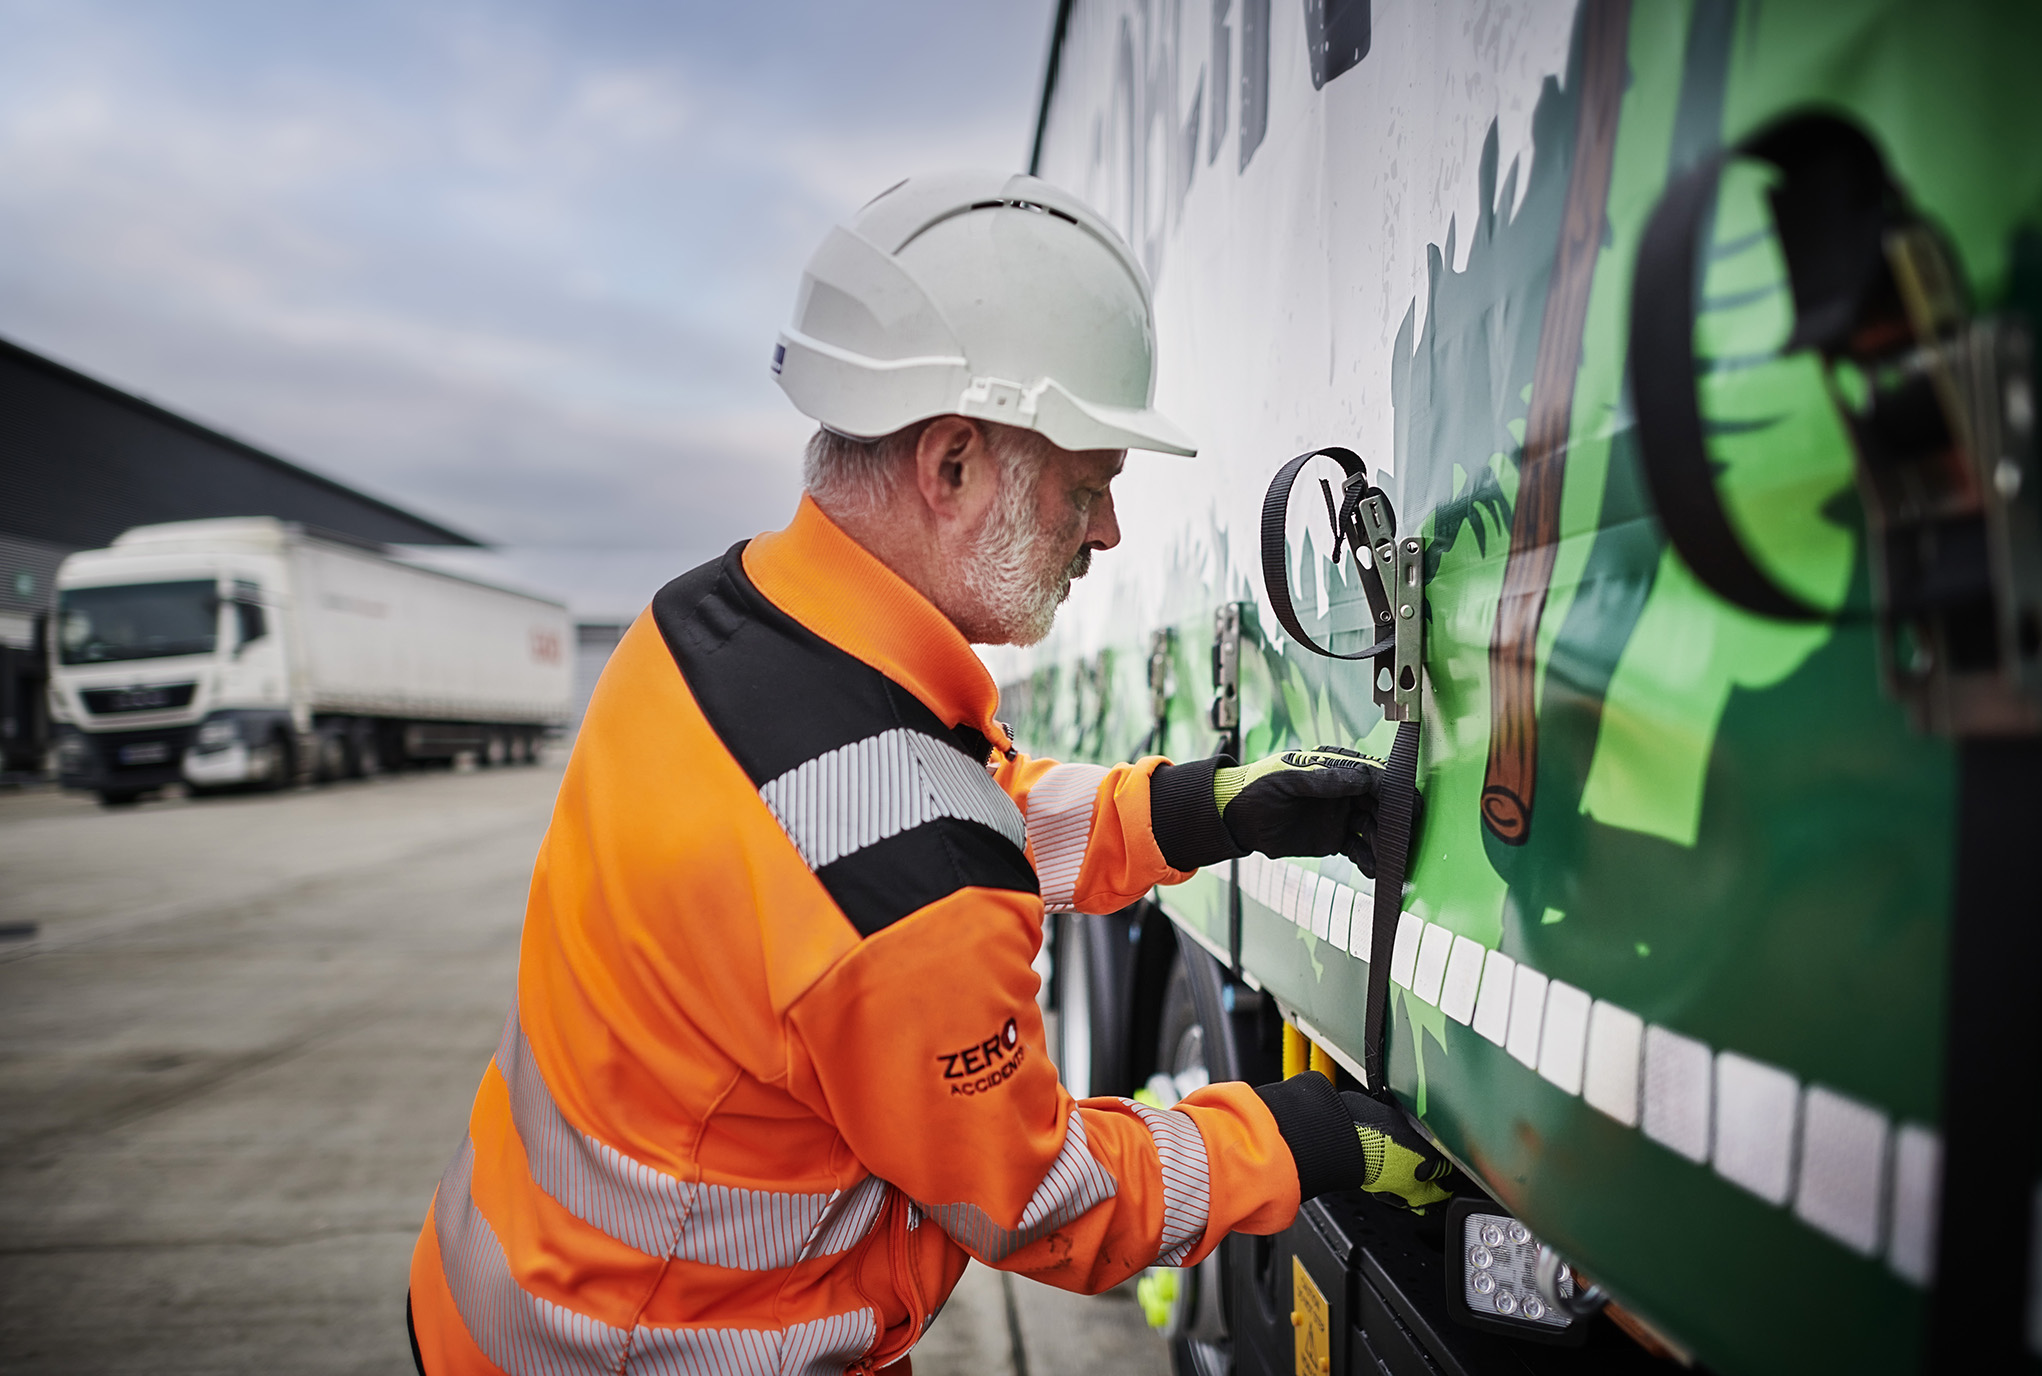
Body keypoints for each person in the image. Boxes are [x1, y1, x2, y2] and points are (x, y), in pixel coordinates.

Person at [405, 172, 1450, 1376]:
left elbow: (904, 824)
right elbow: (1045, 1195)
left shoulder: (704, 626)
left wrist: (1194, 810)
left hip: (502, 1300)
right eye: (1087, 483)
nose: (1104, 531)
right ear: (951, 464)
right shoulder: (903, 870)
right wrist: (1299, 1136)